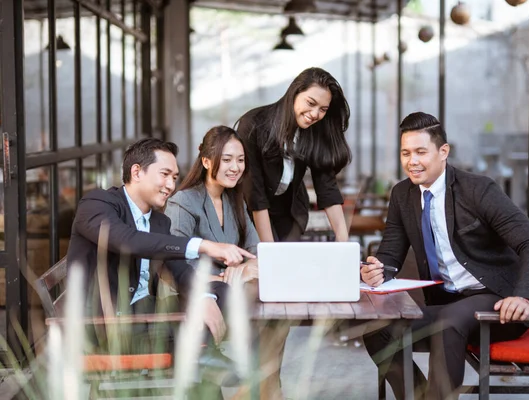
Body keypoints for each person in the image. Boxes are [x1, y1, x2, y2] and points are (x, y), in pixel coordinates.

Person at [360, 112, 529, 400]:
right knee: (377, 326)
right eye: (406, 153)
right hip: (448, 303)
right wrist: (377, 270)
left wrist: (522, 296)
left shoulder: (478, 189)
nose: (412, 161)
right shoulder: (402, 195)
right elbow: (390, 254)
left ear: (443, 152)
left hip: (498, 301)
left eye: (421, 152)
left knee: (450, 322)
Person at [66, 138, 255, 391]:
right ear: (137, 172)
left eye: (175, 177)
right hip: (107, 326)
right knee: (197, 333)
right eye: (165, 174)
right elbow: (127, 241)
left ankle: (202, 358)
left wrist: (204, 297)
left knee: (220, 290)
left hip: (146, 315)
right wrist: (203, 245)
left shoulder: (159, 222)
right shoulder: (97, 204)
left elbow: (179, 270)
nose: (171, 185)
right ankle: (202, 360)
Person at [235, 67, 352, 242]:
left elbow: (326, 186)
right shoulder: (253, 124)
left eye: (323, 109)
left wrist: (344, 241)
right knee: (268, 262)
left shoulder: (314, 131)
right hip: (251, 211)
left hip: (289, 212)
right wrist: (269, 249)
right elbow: (255, 194)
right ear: (294, 93)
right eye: (310, 103)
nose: (314, 114)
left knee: (289, 262)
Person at [165, 125, 259, 285]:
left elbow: (255, 252)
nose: (235, 167)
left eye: (241, 160)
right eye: (227, 160)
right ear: (206, 162)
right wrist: (227, 278)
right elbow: (175, 263)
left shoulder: (235, 199)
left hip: (234, 292)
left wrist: (244, 270)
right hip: (197, 297)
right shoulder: (183, 201)